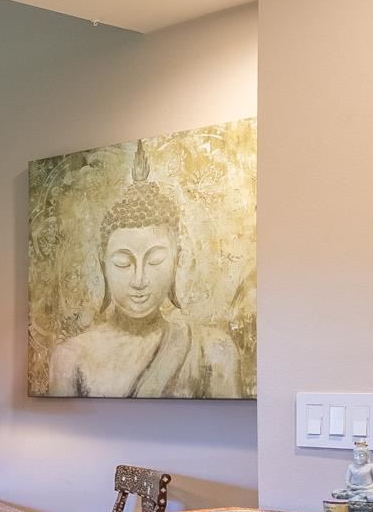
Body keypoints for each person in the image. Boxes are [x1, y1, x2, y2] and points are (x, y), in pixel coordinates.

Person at [44, 150, 244, 398]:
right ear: (103, 264)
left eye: (155, 261)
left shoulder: (213, 350)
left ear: (176, 262)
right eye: (123, 263)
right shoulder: (71, 357)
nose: (139, 280)